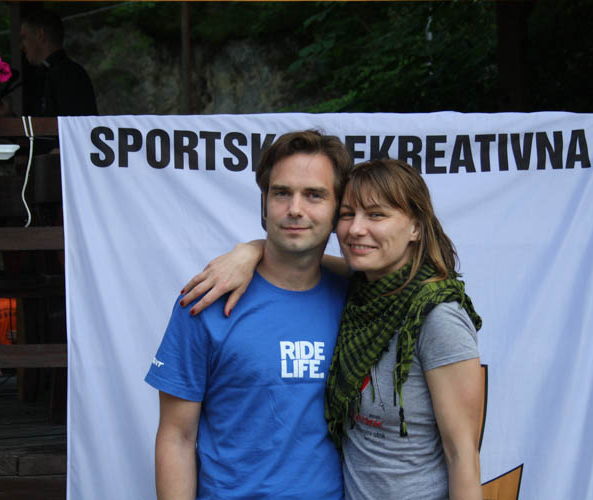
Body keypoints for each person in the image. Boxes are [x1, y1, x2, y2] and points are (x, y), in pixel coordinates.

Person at [182, 158, 484, 500]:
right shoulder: (362, 294)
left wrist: (251, 251)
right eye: (347, 214)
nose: (356, 229)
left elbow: (463, 456)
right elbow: (296, 258)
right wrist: (249, 251)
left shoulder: (436, 315)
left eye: (376, 215)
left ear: (416, 227)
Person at [145, 130, 352, 499]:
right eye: (281, 193)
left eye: (314, 195)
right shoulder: (207, 300)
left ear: (338, 210)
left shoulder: (357, 298)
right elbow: (177, 437)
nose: (295, 209)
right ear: (264, 204)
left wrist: (250, 249)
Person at [19, 9, 97, 117]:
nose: (21, 46)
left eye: (24, 38)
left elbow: (76, 124)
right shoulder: (46, 74)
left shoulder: (68, 74)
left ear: (40, 34)